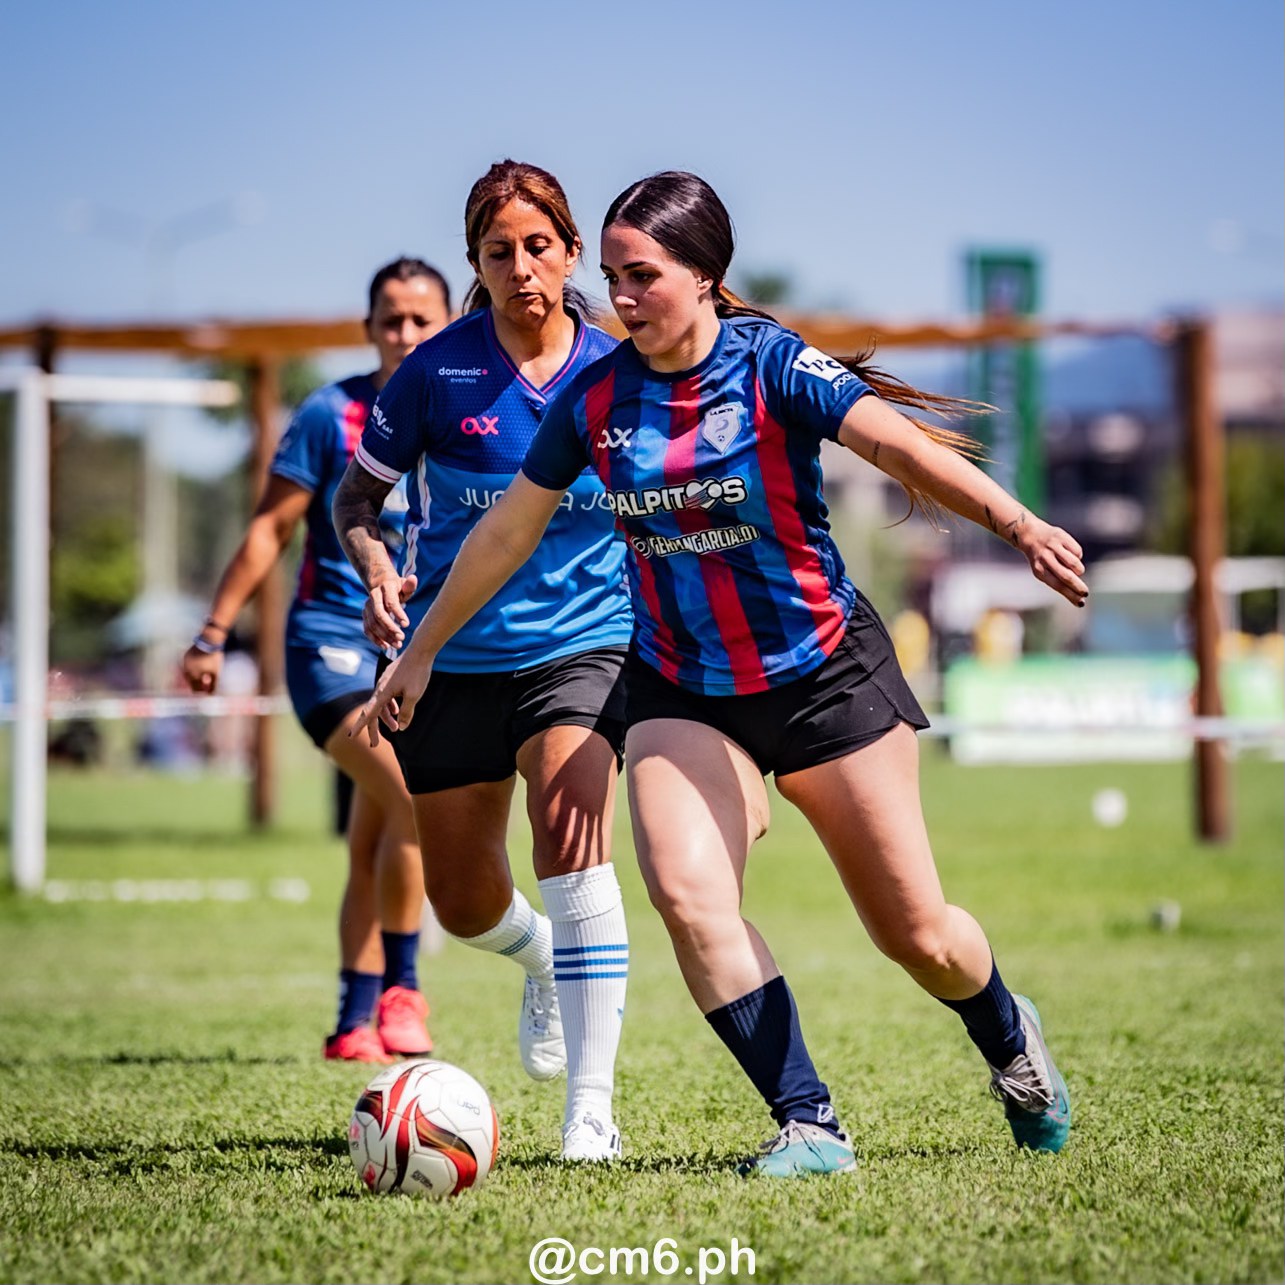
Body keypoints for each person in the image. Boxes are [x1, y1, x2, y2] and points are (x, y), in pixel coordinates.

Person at [353, 171, 1088, 1177]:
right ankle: (809, 1122)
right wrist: (423, 645)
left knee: (917, 934)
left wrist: (1019, 523)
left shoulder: (771, 364)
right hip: (681, 686)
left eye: (642, 275)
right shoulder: (597, 396)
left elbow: (898, 448)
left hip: (822, 675)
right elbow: (504, 533)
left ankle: (1006, 1030)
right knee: (688, 896)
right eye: (611, 277)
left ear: (705, 276)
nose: (620, 298)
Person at [332, 161, 632, 1163]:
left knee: (569, 828)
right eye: (498, 252)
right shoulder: (435, 372)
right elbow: (356, 505)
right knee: (463, 901)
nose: (520, 268)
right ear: (476, 262)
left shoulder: (616, 370)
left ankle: (590, 1110)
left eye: (537, 247)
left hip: (586, 644)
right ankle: (544, 960)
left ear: (572, 250)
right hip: (450, 657)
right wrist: (378, 569)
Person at [182, 257, 451, 1063]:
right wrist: (211, 633)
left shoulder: (462, 411)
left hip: (411, 657)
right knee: (407, 799)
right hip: (327, 645)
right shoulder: (330, 413)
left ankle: (351, 1018)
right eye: (390, 318)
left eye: (421, 319)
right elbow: (269, 528)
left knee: (374, 837)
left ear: (447, 325)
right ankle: (405, 989)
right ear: (368, 326)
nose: (404, 332)